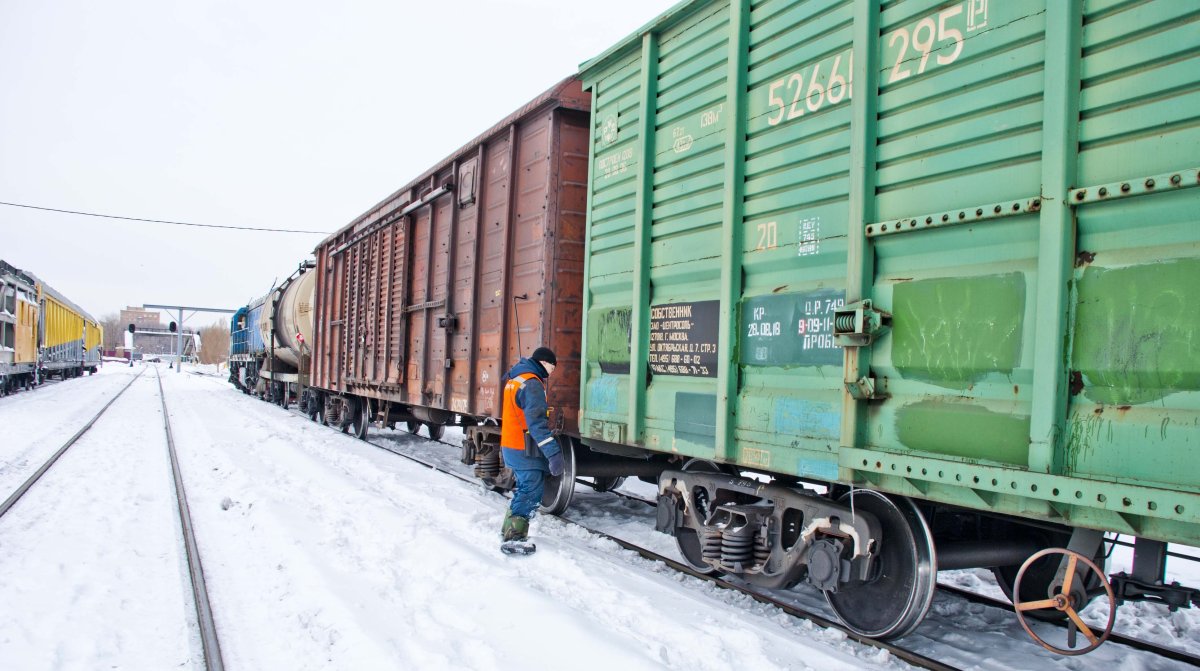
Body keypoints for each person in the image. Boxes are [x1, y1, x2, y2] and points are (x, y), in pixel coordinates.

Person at [499, 346, 564, 544]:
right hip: (523, 448)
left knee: (523, 489)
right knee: (530, 491)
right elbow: (536, 425)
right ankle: (514, 538)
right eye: (552, 368)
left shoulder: (516, 379)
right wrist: (553, 453)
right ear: (544, 363)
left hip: (511, 444)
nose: (551, 373)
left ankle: (508, 529)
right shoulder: (532, 384)